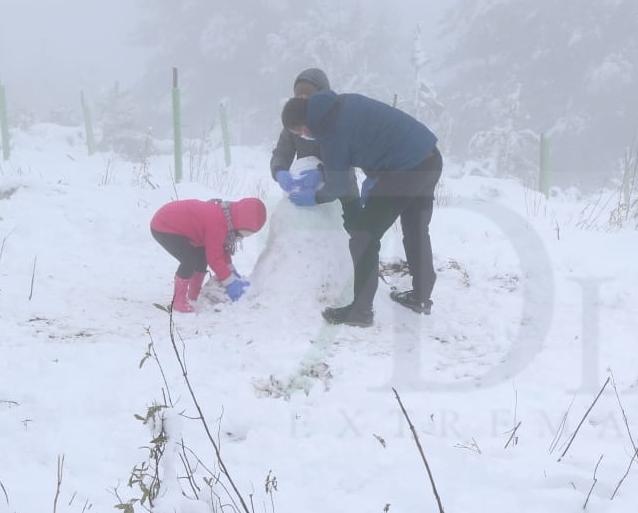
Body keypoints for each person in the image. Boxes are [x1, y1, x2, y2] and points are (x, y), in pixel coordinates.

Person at [281, 85, 442, 327]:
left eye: (299, 133)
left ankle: (359, 312)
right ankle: (421, 297)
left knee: (363, 236)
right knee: (415, 229)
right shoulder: (338, 105)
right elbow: (352, 147)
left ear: (303, 126)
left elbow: (336, 184)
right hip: (429, 159)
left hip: (405, 171)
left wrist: (315, 198)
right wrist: (323, 171)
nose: (304, 137)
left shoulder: (327, 128)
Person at [268, 68, 362, 224]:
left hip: (344, 192)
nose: (303, 102)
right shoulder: (294, 123)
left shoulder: (338, 120)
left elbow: (347, 162)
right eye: (299, 96)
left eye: (307, 97)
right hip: (307, 192)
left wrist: (322, 174)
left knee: (356, 236)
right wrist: (279, 171)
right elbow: (282, 152)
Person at [149, 197, 268, 313]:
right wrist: (231, 283)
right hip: (164, 225)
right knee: (189, 260)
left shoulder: (227, 218)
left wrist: (231, 271)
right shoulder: (218, 223)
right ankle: (178, 301)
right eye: (251, 232)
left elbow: (220, 249)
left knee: (202, 256)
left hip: (179, 224)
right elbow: (215, 259)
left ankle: (193, 295)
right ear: (245, 224)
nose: (249, 235)